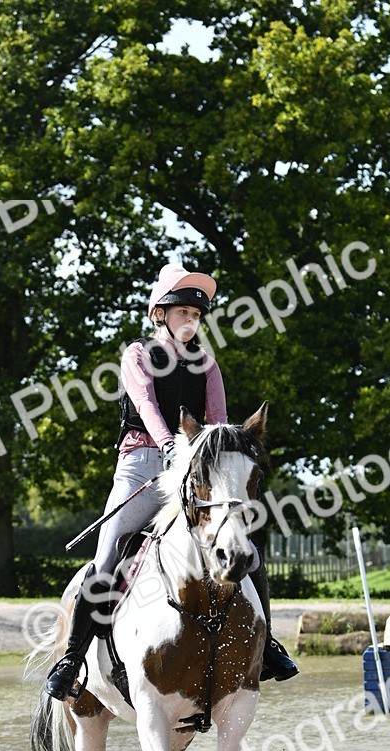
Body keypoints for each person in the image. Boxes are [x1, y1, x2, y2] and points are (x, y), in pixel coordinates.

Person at [44, 264, 298, 701]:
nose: (191, 321)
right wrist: (168, 446)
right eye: (183, 313)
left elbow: (217, 424)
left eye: (197, 316)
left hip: (198, 473)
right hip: (142, 465)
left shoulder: (208, 365)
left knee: (247, 552)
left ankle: (268, 644)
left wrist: (213, 462)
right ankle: (72, 658)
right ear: (160, 314)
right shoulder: (137, 355)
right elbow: (144, 403)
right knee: (108, 552)